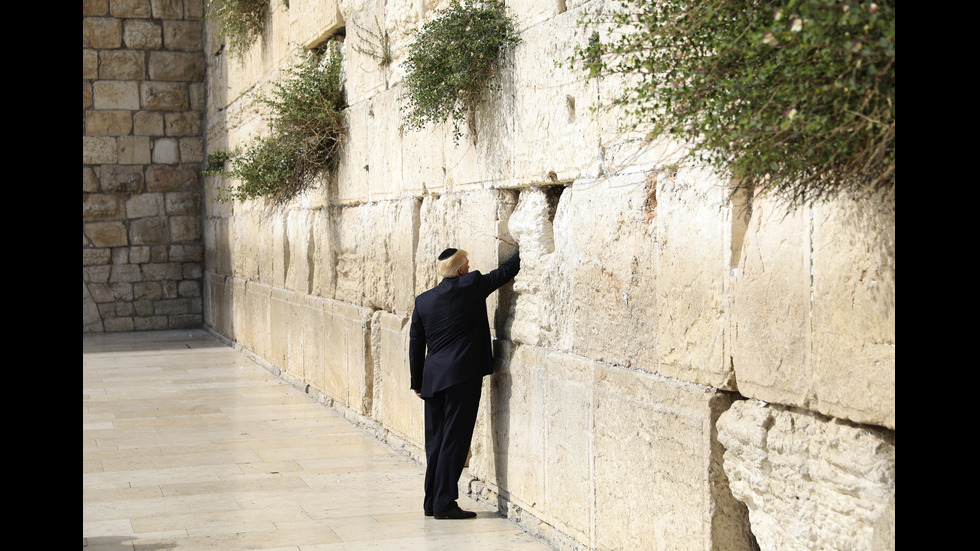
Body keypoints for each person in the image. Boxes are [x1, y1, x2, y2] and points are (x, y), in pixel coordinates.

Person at [409, 247, 520, 519]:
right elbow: (503, 274)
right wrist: (522, 249)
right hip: (462, 378)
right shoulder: (471, 285)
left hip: (432, 380)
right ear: (459, 269)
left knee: (435, 443)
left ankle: (431, 501)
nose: (470, 267)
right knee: (454, 441)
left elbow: (415, 343)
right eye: (467, 264)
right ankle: (444, 504)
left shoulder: (423, 301)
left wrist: (416, 381)